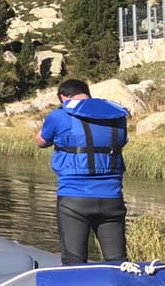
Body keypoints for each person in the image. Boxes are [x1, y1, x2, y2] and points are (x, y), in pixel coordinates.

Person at [35, 78, 129, 265]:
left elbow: (41, 142)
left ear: (63, 97)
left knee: (73, 262)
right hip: (112, 198)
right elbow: (121, 141)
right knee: (118, 262)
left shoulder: (58, 115)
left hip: (74, 199)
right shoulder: (117, 117)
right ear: (88, 93)